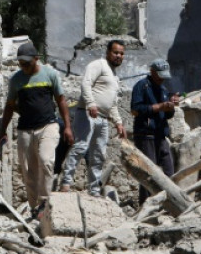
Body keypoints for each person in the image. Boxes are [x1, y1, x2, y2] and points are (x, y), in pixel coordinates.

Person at [0, 40, 73, 216]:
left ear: (36, 59)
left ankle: (44, 204)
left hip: (48, 125)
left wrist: (67, 127)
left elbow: (61, 100)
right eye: (20, 64)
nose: (23, 67)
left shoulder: (50, 74)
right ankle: (33, 206)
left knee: (46, 161)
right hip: (25, 129)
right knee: (28, 170)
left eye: (27, 63)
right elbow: (9, 106)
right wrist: (2, 131)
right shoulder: (16, 80)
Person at [59, 40, 127, 196]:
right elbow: (86, 84)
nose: (119, 56)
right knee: (81, 147)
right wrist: (91, 104)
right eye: (116, 52)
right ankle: (66, 182)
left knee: (99, 154)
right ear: (108, 52)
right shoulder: (98, 65)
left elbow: (113, 104)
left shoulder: (114, 76)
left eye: (121, 54)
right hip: (87, 113)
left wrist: (118, 122)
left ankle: (94, 189)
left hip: (103, 119)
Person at [130, 59, 179, 203]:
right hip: (146, 135)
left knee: (169, 171)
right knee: (148, 174)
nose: (162, 79)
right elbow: (135, 110)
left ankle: (170, 203)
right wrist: (159, 107)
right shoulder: (142, 86)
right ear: (152, 72)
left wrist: (170, 106)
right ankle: (145, 205)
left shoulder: (163, 90)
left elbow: (167, 115)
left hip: (160, 135)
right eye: (160, 75)